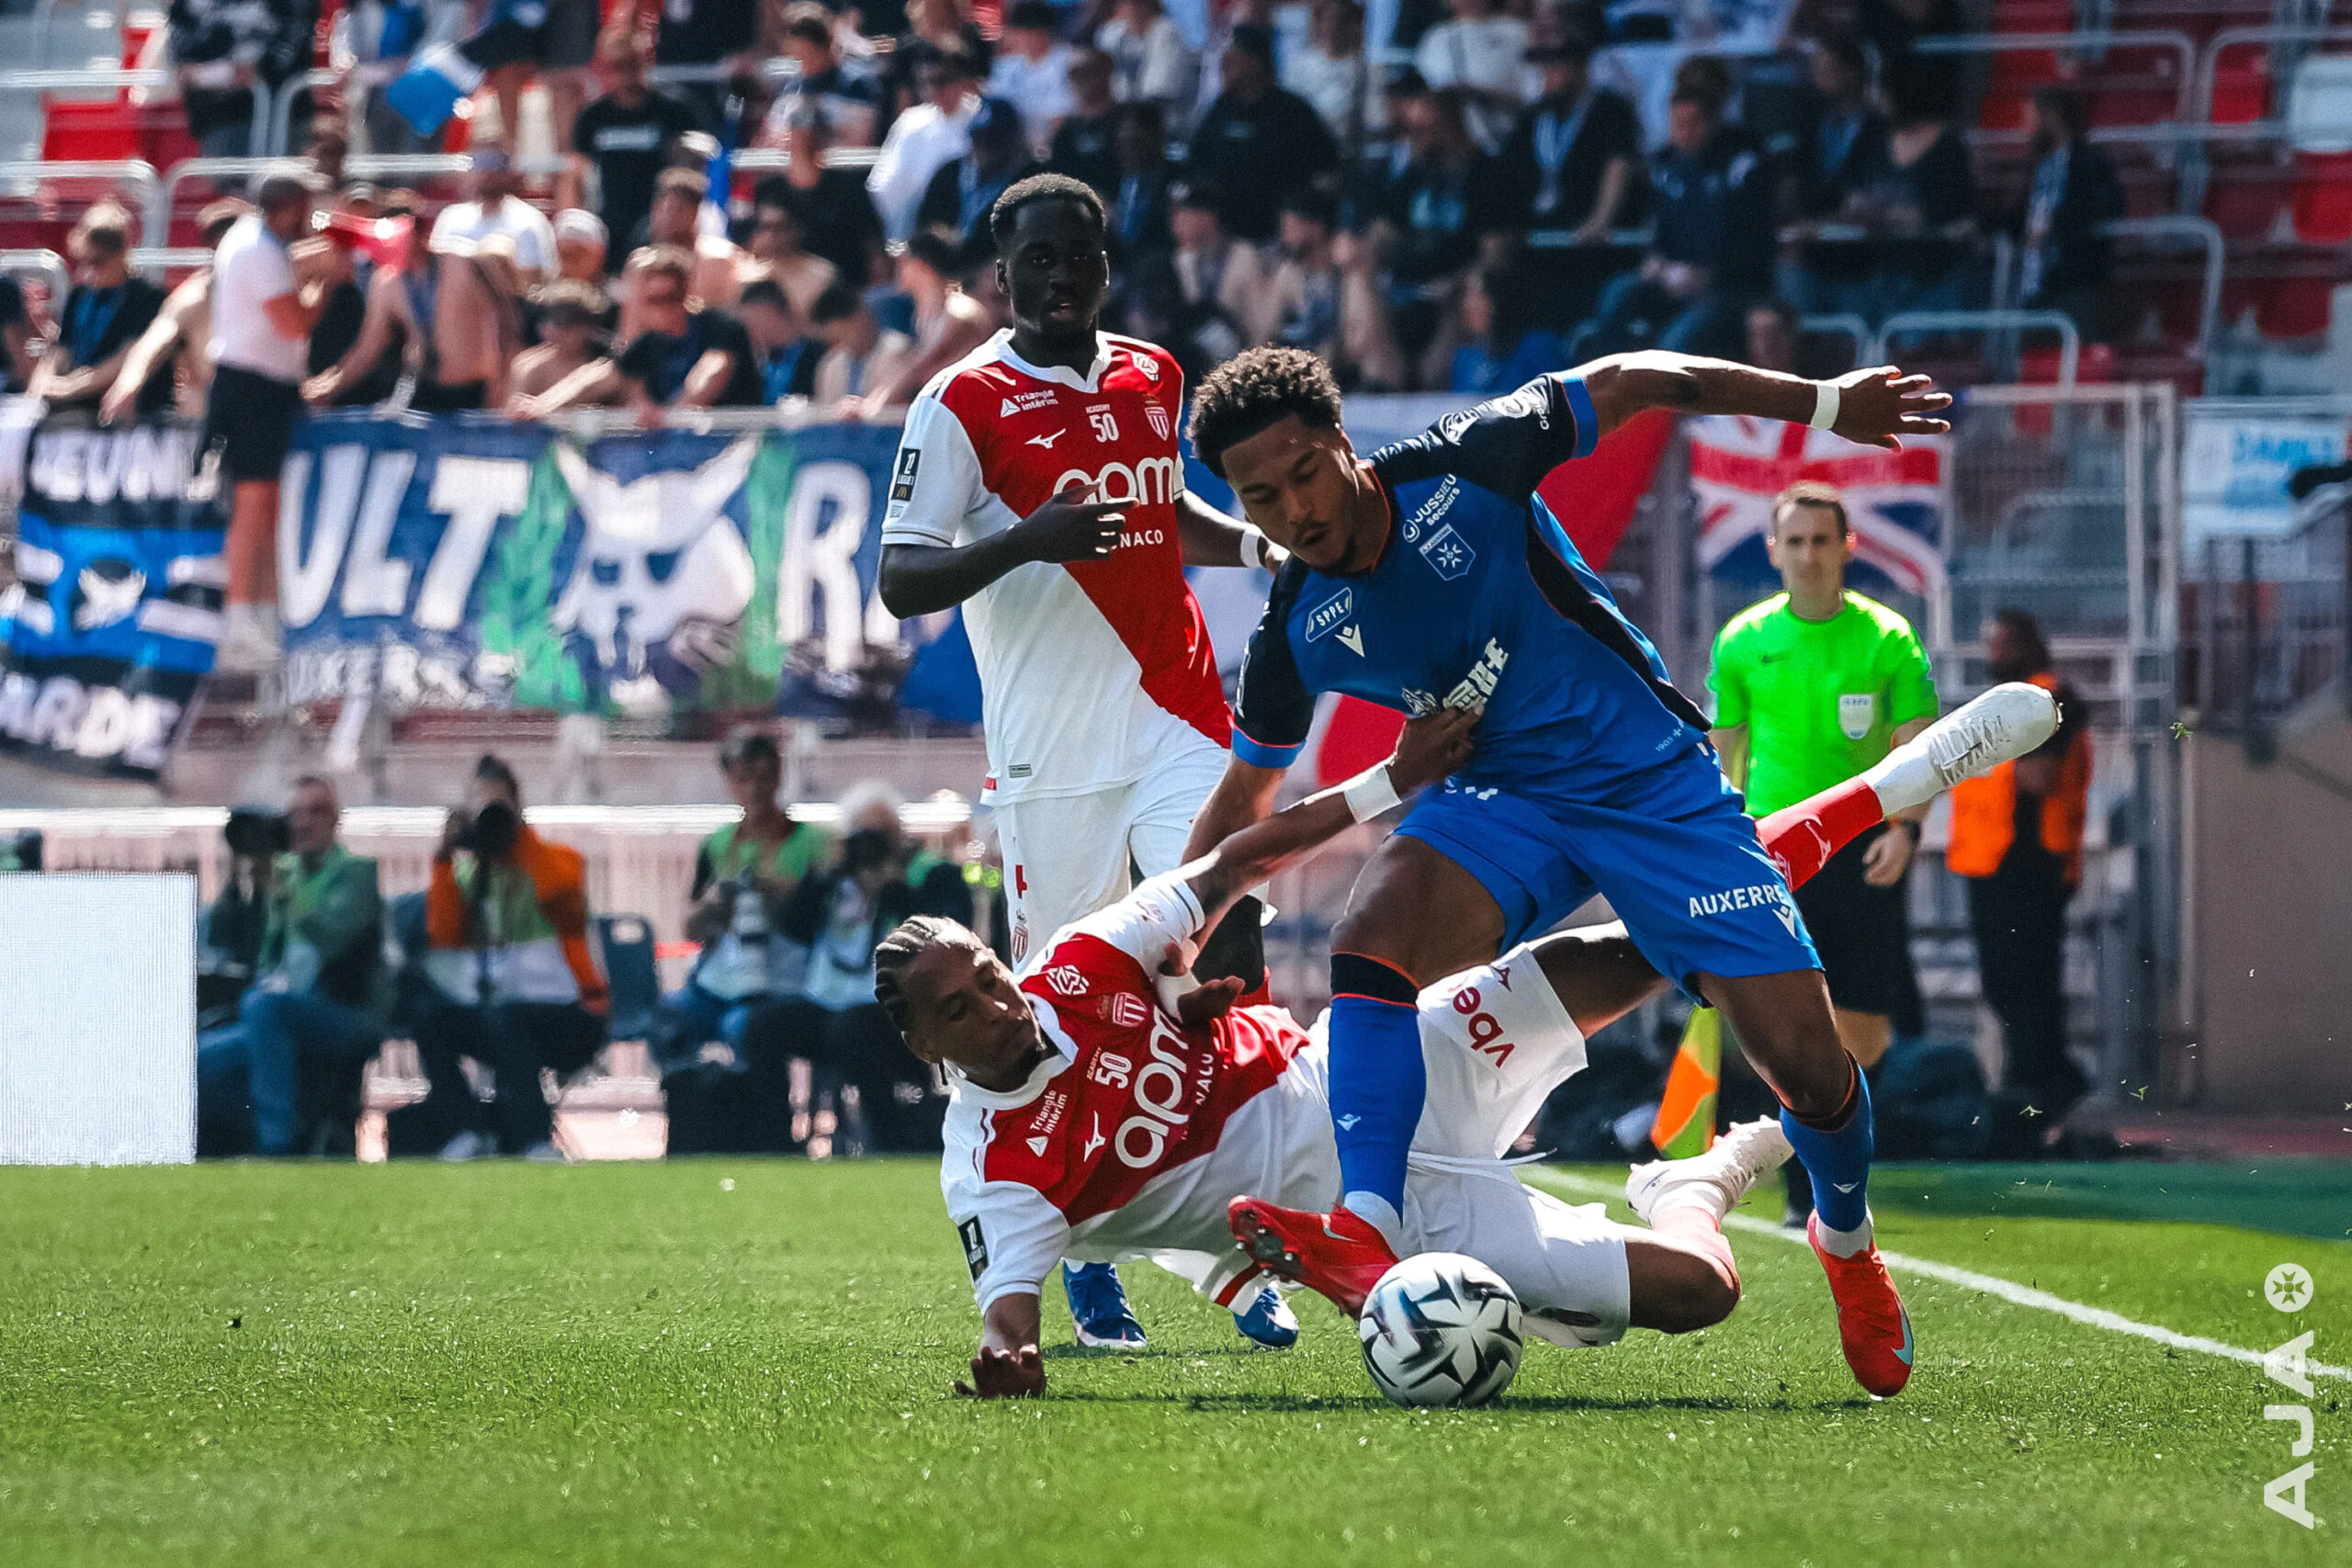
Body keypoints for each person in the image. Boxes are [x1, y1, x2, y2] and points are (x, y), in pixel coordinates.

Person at [1180, 344, 1968, 1399]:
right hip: (1500, 794)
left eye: (1303, 474)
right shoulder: (1295, 626)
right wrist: (1165, 941)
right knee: (1371, 936)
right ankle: (1364, 1230)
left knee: (1807, 1067)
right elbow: (1247, 803)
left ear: (1340, 443)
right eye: (1260, 498)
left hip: (1648, 782)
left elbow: (1644, 377)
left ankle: (1847, 1242)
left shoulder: (1468, 463)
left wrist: (1826, 402)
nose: (1293, 511)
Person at [893, 682, 2058, 1396]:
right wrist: (1010, 1355)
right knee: (1704, 1293)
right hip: (1420, 1232)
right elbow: (1010, 1301)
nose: (1000, 1007)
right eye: (961, 1009)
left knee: (1655, 934)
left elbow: (1235, 863)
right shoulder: (991, 1166)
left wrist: (1386, 780)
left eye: (990, 976)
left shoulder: (1078, 966)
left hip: (1373, 1072)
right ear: (921, 1046)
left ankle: (1892, 781)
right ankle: (1695, 1183)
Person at [875, 173, 1293, 1351]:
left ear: (1105, 266)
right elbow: (900, 579)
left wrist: (1253, 540)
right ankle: (1078, 1251)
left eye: (1080, 256)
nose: (1060, 274)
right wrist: (1027, 542)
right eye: (1037, 259)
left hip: (1178, 721)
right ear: (1002, 274)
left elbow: (1165, 513)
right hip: (1051, 759)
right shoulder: (959, 404)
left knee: (1225, 938)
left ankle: (1244, 1231)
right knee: (1047, 1019)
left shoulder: (1152, 374)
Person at [1708, 481, 1940, 1222]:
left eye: (1820, 540)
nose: (1808, 554)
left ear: (1848, 547)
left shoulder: (1888, 639)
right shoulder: (1742, 641)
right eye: (1794, 541)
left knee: (1866, 1031)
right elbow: (1721, 753)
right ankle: (1807, 1184)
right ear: (1773, 551)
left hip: (1866, 846)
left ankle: (1815, 1144)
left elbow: (1919, 751)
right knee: (1783, 1019)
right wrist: (1716, 842)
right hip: (1773, 852)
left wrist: (1906, 831)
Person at [409, 755, 608, 1161]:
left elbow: (564, 902)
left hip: (569, 1013)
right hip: (500, 1013)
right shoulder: (468, 877)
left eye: (502, 809)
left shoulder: (557, 860)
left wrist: (520, 839)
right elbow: (443, 935)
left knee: (507, 1019)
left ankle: (536, 1139)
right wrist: (445, 858)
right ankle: (468, 1129)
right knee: (429, 1016)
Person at [1945, 609, 2092, 1150]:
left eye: (2005, 644)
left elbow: (2039, 776)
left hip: (2030, 865)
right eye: (1992, 644)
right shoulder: (2003, 704)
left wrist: (1989, 745)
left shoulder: (2052, 699)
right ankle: (2034, 1088)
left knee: (2029, 988)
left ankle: (2044, 1088)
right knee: (2005, 987)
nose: (1995, 656)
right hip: (1991, 865)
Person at [654, 729, 833, 1154]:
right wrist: (717, 904)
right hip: (725, 977)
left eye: (762, 776)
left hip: (788, 979)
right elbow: (691, 926)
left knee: (748, 1028)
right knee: (670, 1018)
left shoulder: (813, 843)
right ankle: (691, 1129)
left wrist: (779, 894)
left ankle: (768, 1135)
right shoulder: (717, 845)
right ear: (730, 781)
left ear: (777, 776)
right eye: (742, 778)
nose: (753, 788)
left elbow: (823, 916)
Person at [195, 777, 388, 1157]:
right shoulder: (288, 876)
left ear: (335, 820)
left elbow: (332, 939)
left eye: (315, 812)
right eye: (296, 814)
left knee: (263, 1007)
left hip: (345, 1012)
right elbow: (270, 962)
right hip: (285, 1014)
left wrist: (287, 893)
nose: (303, 824)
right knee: (201, 1057)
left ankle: (278, 1146)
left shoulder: (356, 873)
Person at [206, 170, 342, 672]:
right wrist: (327, 281)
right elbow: (293, 323)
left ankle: (257, 617)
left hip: (262, 386)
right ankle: (239, 620)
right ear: (291, 206)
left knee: (266, 506)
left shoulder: (256, 243)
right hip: (253, 388)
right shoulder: (258, 250)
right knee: (253, 502)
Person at [1569, 68, 1773, 363]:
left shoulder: (1742, 168)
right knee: (1618, 294)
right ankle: (1599, 393)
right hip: (1673, 279)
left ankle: (1664, 405)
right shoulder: (1664, 167)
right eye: (1678, 123)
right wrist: (1655, 260)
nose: (1684, 132)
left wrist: (1709, 276)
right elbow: (1661, 231)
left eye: (1693, 123)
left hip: (1729, 288)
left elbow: (1755, 245)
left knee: (1677, 338)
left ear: (1714, 122)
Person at [524, 247, 763, 418]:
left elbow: (712, 371)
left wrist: (672, 416)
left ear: (687, 294)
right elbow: (599, 378)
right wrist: (541, 407)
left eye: (672, 298)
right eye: (654, 301)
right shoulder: (650, 342)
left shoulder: (719, 325)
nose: (663, 309)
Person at [305, 221, 515, 413]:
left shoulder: (464, 264)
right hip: (422, 389)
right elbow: (367, 348)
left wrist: (503, 388)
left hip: (473, 389)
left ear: (419, 235)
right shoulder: (386, 282)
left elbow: (507, 325)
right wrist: (328, 386)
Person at [1182, 24, 1340, 246]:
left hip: (1277, 236)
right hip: (1223, 237)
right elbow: (1197, 164)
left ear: (1255, 62)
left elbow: (1326, 168)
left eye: (1233, 58)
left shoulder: (1293, 112)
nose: (1224, 66)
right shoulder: (1220, 110)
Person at [100, 201, 249, 423]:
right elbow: (152, 343)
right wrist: (128, 384)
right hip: (217, 420)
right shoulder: (196, 297)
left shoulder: (283, 283)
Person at [570, 28, 704, 262]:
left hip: (661, 224)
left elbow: (692, 170)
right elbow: (574, 177)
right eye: (617, 65)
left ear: (646, 61)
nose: (625, 73)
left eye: (632, 63)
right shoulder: (592, 117)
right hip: (609, 223)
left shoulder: (674, 110)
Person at [28, 204, 170, 416]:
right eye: (85, 260)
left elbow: (131, 357)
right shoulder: (79, 295)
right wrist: (42, 384)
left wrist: (68, 389)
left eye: (99, 262)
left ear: (122, 254)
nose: (90, 270)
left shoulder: (148, 297)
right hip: (77, 404)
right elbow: (61, 349)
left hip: (129, 411)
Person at [835, 230, 993, 419]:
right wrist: (870, 403)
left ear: (920, 266)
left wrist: (871, 410)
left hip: (969, 414)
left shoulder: (959, 312)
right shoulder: (923, 317)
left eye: (903, 263)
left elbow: (918, 369)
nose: (898, 269)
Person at [1497, 38, 1639, 240]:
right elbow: (1511, 172)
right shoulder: (1534, 115)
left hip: (1587, 235)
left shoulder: (1610, 109)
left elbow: (1619, 162)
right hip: (1538, 232)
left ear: (1579, 66)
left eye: (1555, 63)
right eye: (1543, 65)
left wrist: (1602, 219)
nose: (1547, 71)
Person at [2015, 85, 2124, 344]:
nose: (2025, 128)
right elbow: (2019, 218)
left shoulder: (2089, 161)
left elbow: (2107, 208)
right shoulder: (2037, 166)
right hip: (2034, 287)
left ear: (2051, 117)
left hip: (2074, 284)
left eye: (2031, 118)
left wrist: (2056, 226)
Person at [166, 0, 318, 164]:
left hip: (287, 114)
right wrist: (227, 73)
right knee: (231, 185)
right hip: (221, 119)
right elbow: (183, 65)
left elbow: (291, 45)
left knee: (285, 185)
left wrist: (257, 69)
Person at [868, 44, 986, 243]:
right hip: (919, 230)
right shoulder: (911, 122)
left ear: (964, 80)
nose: (934, 90)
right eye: (926, 82)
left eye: (942, 80)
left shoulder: (984, 119)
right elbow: (886, 186)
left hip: (970, 228)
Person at [916, 98, 1046, 269]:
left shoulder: (1031, 182)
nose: (983, 147)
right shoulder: (950, 172)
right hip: (941, 274)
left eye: (993, 140)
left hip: (999, 277)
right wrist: (938, 235)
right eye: (977, 137)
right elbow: (923, 225)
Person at [770, 107, 888, 288]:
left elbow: (874, 243)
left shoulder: (849, 188)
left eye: (809, 138)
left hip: (843, 289)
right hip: (788, 290)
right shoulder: (771, 192)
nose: (802, 143)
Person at [1411, 0, 1530, 150]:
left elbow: (1532, 91)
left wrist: (1484, 96)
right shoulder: (1434, 41)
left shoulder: (1518, 33)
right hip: (1459, 148)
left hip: (1517, 138)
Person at [763, 2, 883, 148]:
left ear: (827, 47)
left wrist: (807, 141)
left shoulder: (858, 84)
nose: (804, 64)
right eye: (797, 57)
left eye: (809, 56)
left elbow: (859, 142)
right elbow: (773, 135)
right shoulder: (792, 87)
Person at [431, 147, 558, 284]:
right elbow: (436, 274)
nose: (488, 173)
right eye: (481, 163)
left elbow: (536, 280)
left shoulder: (531, 221)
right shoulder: (451, 217)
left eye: (495, 164)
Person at [808, 279, 918, 412]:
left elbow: (892, 403)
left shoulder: (898, 349)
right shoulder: (831, 365)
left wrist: (862, 409)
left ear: (861, 316)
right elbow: (827, 415)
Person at [741, 180, 841, 319]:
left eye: (780, 228)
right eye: (765, 227)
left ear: (798, 230)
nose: (771, 236)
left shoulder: (823, 274)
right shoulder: (744, 274)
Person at [988, 2, 1076, 155]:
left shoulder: (1067, 61)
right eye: (1019, 32)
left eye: (1029, 32)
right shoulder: (1006, 68)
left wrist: (1043, 145)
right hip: (1014, 149)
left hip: (1057, 147)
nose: (1022, 38)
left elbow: (1065, 114)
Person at [506, 279, 614, 405]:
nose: (565, 331)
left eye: (575, 322)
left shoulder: (606, 366)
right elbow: (516, 414)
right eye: (557, 320)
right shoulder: (532, 369)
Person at [1096, 0, 1196, 127]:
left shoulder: (1168, 32)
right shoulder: (1111, 35)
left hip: (1162, 122)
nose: (1128, 7)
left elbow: (1160, 89)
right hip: (1120, 121)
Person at [1047, 46, 1123, 200]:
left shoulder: (1126, 123)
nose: (1080, 81)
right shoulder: (1066, 130)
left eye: (1087, 72)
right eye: (1074, 74)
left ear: (1106, 72)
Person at [736, 278, 825, 401]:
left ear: (769, 312)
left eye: (753, 321)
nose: (749, 329)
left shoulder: (818, 353)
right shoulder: (761, 359)